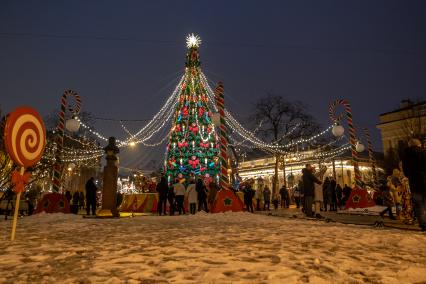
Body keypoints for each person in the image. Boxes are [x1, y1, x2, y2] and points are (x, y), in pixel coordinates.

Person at [402, 138, 426, 231]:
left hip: (414, 184)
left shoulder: (406, 156)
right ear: (419, 145)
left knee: (419, 205)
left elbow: (406, 172)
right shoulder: (424, 153)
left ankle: (423, 225)